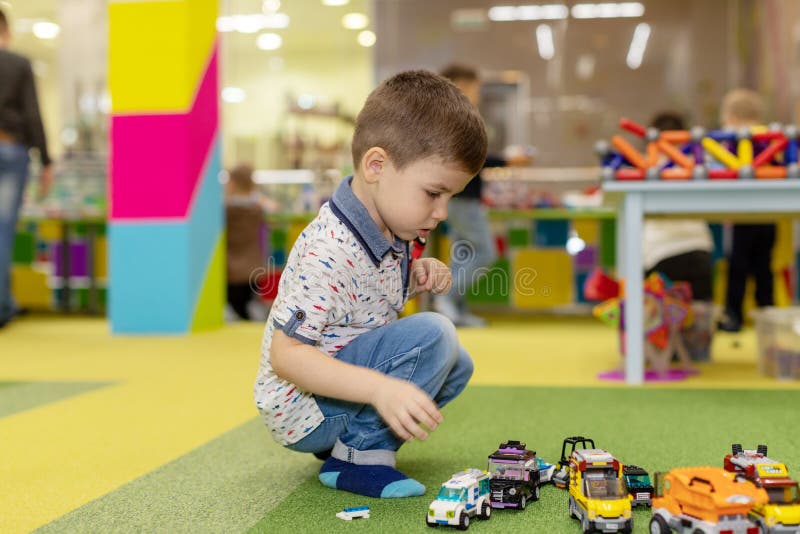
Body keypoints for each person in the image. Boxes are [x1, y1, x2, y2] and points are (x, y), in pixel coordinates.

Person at [254, 70, 487, 499]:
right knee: (436, 332)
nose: (440, 212)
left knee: (458, 363)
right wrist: (380, 389)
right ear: (376, 165)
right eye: (433, 193)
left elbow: (363, 305)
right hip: (301, 408)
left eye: (449, 198)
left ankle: (350, 443)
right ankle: (358, 458)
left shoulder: (391, 228)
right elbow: (286, 357)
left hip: (336, 390)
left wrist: (415, 278)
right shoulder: (331, 248)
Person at [432, 64, 501, 327]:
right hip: (460, 198)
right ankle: (447, 299)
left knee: (462, 255)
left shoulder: (451, 117)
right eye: (475, 88)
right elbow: (472, 156)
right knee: (484, 252)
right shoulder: (452, 117)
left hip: (461, 197)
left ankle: (456, 310)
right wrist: (506, 160)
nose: (478, 94)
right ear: (460, 85)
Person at [0, 8, 53, 328]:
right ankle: (2, 305)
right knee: (2, 231)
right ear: (6, 31)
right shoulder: (18, 64)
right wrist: (46, 160)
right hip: (10, 148)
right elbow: (32, 113)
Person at [717, 89, 774, 332]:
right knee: (764, 268)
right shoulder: (769, 137)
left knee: (737, 268)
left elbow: (727, 172)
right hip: (768, 212)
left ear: (731, 116)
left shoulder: (734, 138)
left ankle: (734, 315)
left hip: (741, 211)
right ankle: (767, 313)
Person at [643, 112, 714, 303]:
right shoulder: (698, 163)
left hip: (660, 251)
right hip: (698, 248)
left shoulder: (646, 166)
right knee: (700, 318)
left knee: (660, 320)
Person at [225, 163, 277, 321]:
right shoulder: (257, 207)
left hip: (230, 266)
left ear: (232, 183)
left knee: (235, 304)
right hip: (253, 265)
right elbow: (275, 209)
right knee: (248, 303)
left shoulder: (226, 208)